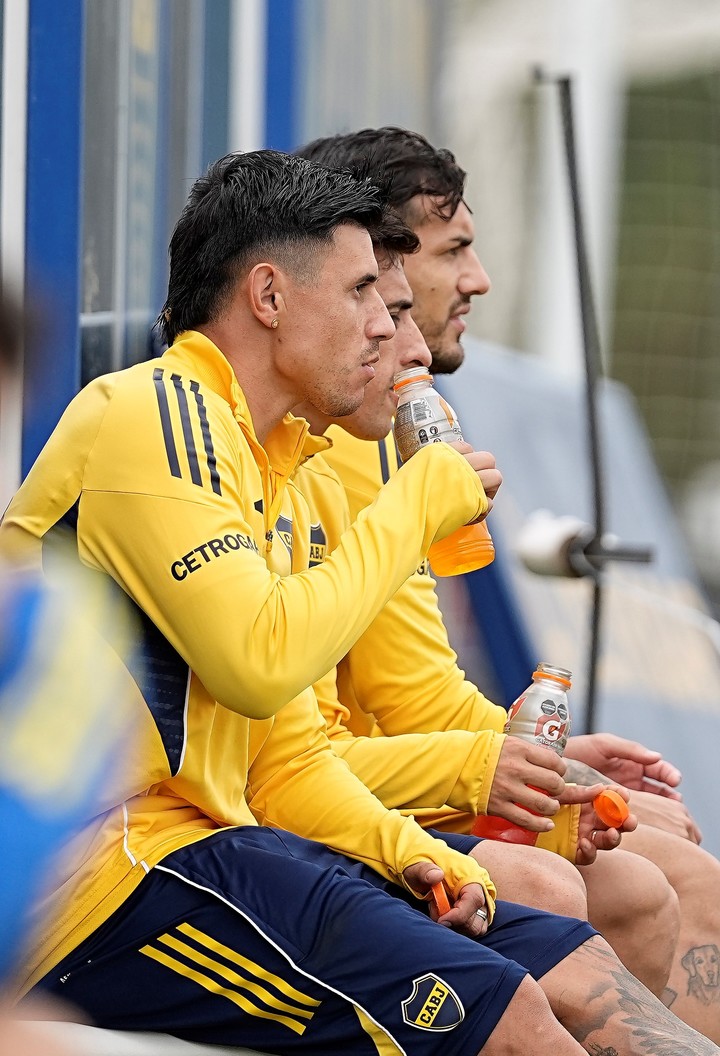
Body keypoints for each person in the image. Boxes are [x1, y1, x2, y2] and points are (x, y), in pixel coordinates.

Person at [1, 150, 716, 1056]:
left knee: (578, 971)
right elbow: (259, 666)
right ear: (268, 297)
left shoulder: (282, 461)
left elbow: (288, 757)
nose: (389, 332)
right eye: (362, 295)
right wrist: (416, 505)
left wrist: (414, 852)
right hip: (102, 876)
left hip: (227, 841)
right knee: (519, 1014)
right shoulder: (154, 414)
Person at [296, 126, 720, 1040]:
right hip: (314, 823)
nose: (479, 280)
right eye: (454, 252)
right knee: (607, 882)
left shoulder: (382, 440)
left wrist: (541, 765)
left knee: (673, 866)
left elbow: (416, 695)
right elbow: (291, 751)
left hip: (374, 793)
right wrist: (524, 774)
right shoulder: (328, 447)